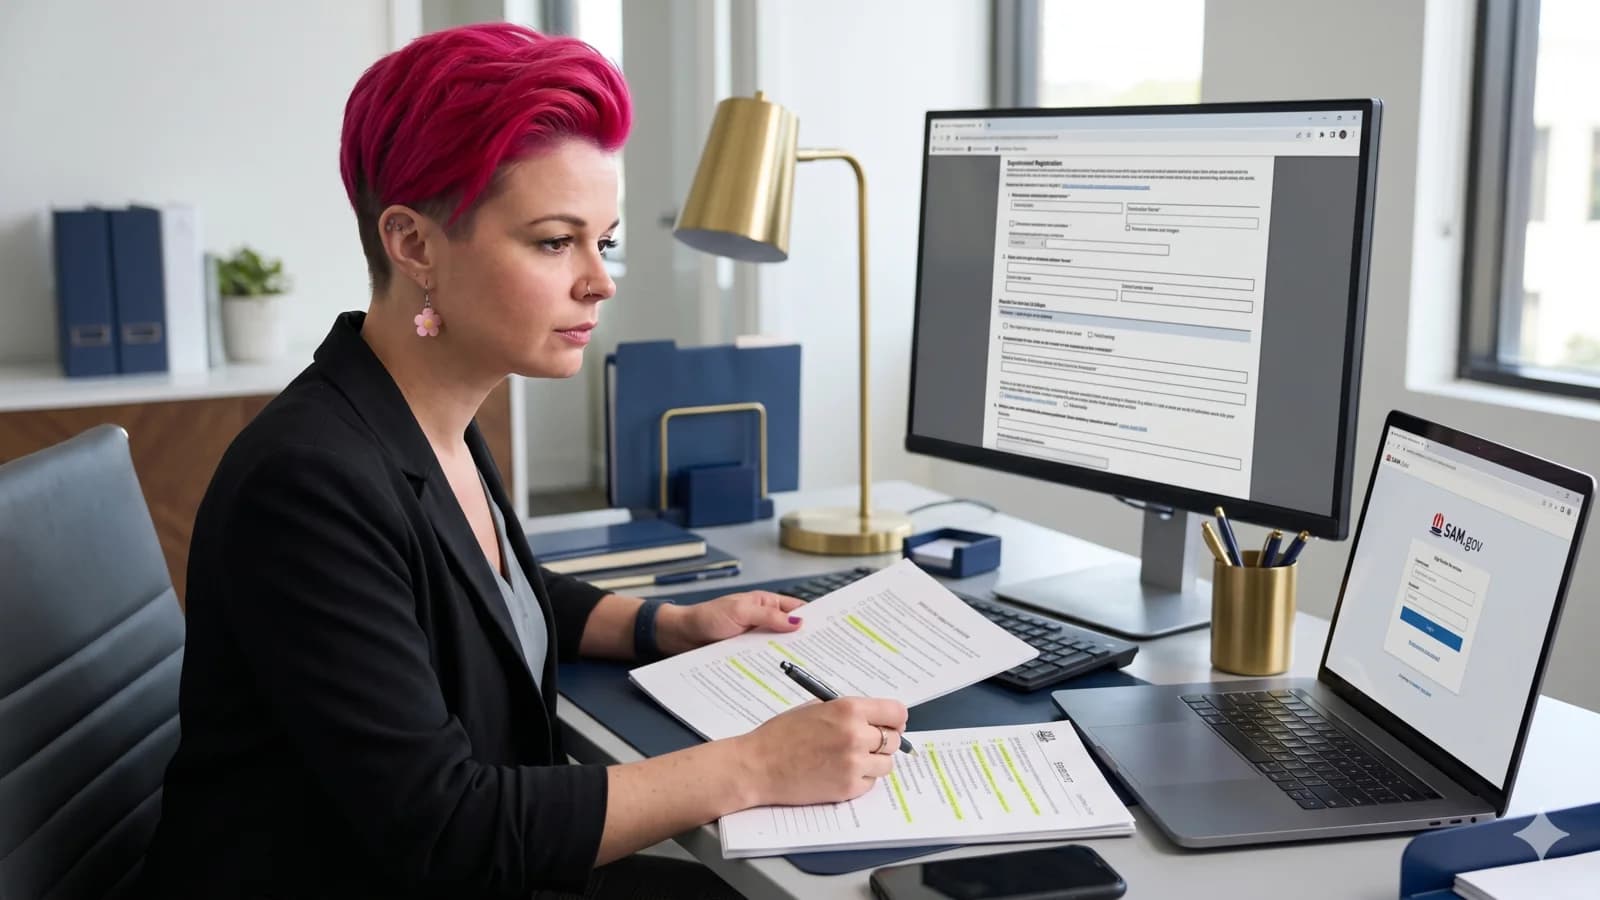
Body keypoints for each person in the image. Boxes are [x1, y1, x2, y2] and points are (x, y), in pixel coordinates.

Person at [138, 23, 907, 899]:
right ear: (415, 244)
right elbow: (450, 831)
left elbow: (480, 597)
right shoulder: (310, 484)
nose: (599, 280)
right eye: (554, 241)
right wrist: (757, 766)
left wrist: (663, 626)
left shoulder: (429, 416)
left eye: (603, 241)